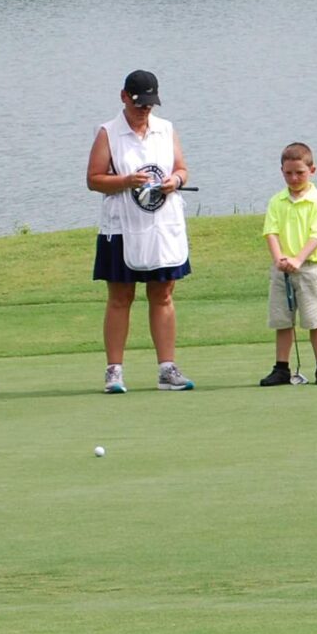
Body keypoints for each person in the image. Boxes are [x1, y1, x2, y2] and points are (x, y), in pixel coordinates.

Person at [85, 69, 194, 393]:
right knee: (121, 297)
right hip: (121, 227)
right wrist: (125, 181)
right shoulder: (109, 132)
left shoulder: (166, 129)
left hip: (161, 224)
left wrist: (176, 181)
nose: (144, 110)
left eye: (148, 105)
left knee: (163, 294)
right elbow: (94, 179)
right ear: (123, 97)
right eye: (138, 105)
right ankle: (114, 371)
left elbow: (182, 169)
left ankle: (167, 369)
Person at [260, 141, 317, 387]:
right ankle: (281, 368)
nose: (294, 178)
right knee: (282, 320)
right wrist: (279, 258)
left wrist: (298, 259)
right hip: (281, 269)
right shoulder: (277, 201)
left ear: (312, 171)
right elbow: (271, 232)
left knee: (315, 320)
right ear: (281, 171)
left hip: (309, 268)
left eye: (300, 173)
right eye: (288, 173)